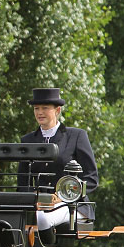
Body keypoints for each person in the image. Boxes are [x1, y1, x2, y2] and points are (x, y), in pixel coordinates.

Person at [17, 88, 99, 236]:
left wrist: (62, 196)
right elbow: (23, 182)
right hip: (39, 204)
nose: (40, 112)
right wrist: (34, 197)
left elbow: (91, 178)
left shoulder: (77, 136)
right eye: (36, 108)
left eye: (45, 108)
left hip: (72, 205)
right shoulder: (27, 140)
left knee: (43, 219)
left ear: (57, 110)